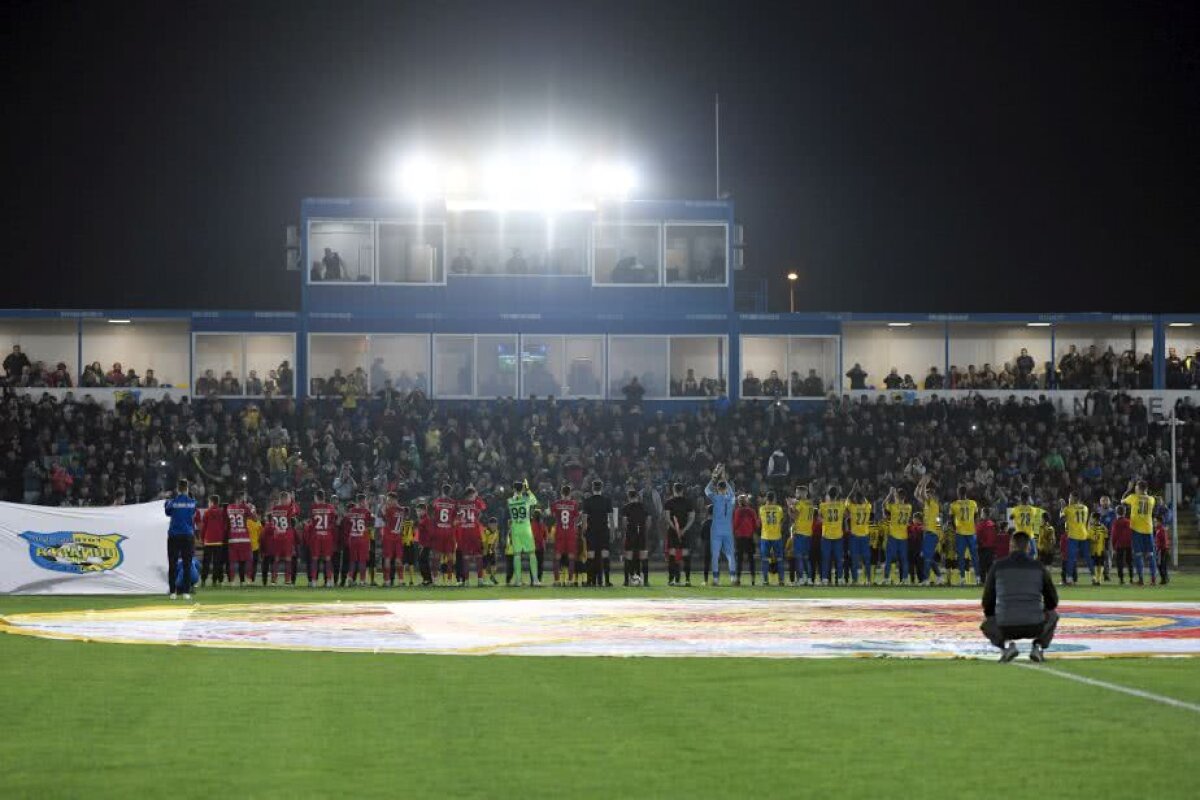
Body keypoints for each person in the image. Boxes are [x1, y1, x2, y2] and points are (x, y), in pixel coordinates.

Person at [981, 530, 1060, 663]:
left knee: (987, 624)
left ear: (1011, 546)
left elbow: (987, 601)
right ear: (1028, 547)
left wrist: (994, 616)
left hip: (1005, 625)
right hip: (1035, 624)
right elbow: (1053, 600)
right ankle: (1038, 647)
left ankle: (1007, 646)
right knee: (1053, 615)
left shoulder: (997, 566)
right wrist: (1042, 609)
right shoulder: (1039, 567)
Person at [164, 479, 198, 599]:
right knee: (187, 564)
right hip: (187, 536)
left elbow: (167, 512)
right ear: (187, 488)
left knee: (172, 564)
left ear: (178, 489)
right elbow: (193, 511)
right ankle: (186, 592)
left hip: (174, 536)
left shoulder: (172, 502)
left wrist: (168, 499)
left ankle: (173, 592)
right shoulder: (192, 502)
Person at [704, 464, 736, 586]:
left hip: (716, 531)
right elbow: (732, 493)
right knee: (730, 555)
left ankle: (716, 579)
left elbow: (706, 490)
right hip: (727, 530)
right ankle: (732, 578)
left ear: (717, 489)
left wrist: (714, 478)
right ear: (725, 489)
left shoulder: (716, 498)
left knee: (715, 555)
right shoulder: (731, 498)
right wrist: (724, 479)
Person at [1120, 480, 1156, 586]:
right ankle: (1153, 579)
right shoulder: (1151, 499)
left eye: (1136, 487)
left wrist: (1128, 489)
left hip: (1136, 530)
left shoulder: (1133, 497)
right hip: (1148, 529)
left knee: (1138, 555)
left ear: (1139, 488)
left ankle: (1141, 580)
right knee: (1150, 555)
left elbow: (1122, 501)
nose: (1135, 488)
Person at [507, 479, 540, 587]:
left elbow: (514, 498)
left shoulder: (509, 501)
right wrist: (528, 489)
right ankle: (535, 580)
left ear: (513, 489)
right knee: (531, 554)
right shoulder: (526, 499)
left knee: (517, 555)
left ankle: (518, 580)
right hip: (526, 528)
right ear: (522, 489)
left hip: (515, 529)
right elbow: (535, 501)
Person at [581, 479, 614, 587]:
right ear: (602, 488)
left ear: (592, 488)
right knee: (605, 555)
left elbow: (584, 519)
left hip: (591, 531)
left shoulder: (588, 501)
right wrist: (612, 531)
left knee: (591, 556)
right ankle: (607, 581)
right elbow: (611, 518)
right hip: (604, 531)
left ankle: (590, 581)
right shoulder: (607, 501)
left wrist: (583, 531)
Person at [663, 482, 695, 587]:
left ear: (673, 490)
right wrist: (684, 529)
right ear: (682, 490)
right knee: (685, 555)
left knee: (672, 555)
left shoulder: (668, 502)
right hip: (685, 532)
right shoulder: (688, 502)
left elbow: (667, 518)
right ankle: (687, 580)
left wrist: (675, 529)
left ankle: (672, 580)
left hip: (673, 532)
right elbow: (692, 518)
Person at [1060, 492, 1095, 586]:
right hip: (1084, 535)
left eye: (1070, 498)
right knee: (1088, 557)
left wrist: (1062, 508)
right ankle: (1094, 577)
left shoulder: (1068, 509)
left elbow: (1062, 520)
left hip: (1073, 536)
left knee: (1071, 558)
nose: (1069, 499)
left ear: (1073, 499)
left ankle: (1069, 578)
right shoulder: (1085, 508)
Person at [915, 476, 944, 586]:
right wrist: (920, 483)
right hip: (929, 533)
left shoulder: (932, 503)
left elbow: (921, 494)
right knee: (929, 557)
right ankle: (940, 577)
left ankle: (926, 579)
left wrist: (924, 483)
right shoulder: (929, 504)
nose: (926, 495)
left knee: (926, 557)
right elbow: (917, 494)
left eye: (928, 493)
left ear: (932, 495)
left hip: (932, 533)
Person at [950, 486, 981, 585]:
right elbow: (976, 517)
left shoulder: (953, 505)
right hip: (971, 533)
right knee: (974, 556)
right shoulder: (973, 503)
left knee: (961, 557)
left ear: (958, 493)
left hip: (960, 533)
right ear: (966, 493)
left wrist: (956, 529)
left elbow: (950, 520)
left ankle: (962, 578)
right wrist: (974, 527)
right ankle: (978, 578)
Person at [550, 485, 581, 587]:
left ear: (561, 493)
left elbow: (553, 516)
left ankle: (557, 581)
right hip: (571, 532)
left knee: (557, 557)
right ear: (570, 493)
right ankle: (570, 581)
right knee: (571, 557)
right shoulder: (574, 504)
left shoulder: (556, 504)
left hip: (560, 532)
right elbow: (576, 519)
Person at [457, 486, 487, 587]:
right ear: (472, 494)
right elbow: (483, 506)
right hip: (474, 532)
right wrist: (478, 497)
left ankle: (466, 581)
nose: (476, 496)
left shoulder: (460, 504)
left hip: (464, 532)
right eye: (475, 494)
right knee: (478, 557)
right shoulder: (476, 503)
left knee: (466, 558)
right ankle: (480, 580)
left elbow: (458, 517)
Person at [225, 490, 256, 586]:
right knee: (248, 560)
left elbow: (226, 522)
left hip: (232, 538)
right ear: (241, 498)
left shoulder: (229, 508)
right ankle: (248, 579)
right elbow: (255, 519)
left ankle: (232, 581)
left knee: (232, 561)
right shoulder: (245, 507)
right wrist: (252, 510)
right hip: (244, 538)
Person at [308, 489, 338, 587]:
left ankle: (314, 581)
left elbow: (311, 522)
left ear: (316, 497)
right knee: (328, 559)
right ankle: (329, 581)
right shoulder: (330, 507)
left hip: (316, 535)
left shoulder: (313, 507)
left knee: (315, 558)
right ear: (324, 497)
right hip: (327, 535)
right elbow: (334, 520)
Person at [882, 487, 912, 585]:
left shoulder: (894, 507)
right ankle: (905, 579)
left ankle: (886, 579)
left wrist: (890, 494)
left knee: (889, 559)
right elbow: (899, 505)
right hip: (904, 536)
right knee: (904, 559)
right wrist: (895, 495)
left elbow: (883, 505)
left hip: (894, 536)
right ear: (905, 497)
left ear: (898, 496)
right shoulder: (909, 507)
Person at [788, 485, 816, 585]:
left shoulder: (800, 504)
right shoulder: (810, 503)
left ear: (802, 493)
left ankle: (800, 579)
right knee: (806, 557)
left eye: (797, 492)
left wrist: (789, 506)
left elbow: (793, 516)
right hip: (808, 533)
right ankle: (809, 579)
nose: (796, 495)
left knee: (799, 557)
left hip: (800, 532)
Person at [197, 494, 228, 588]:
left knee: (206, 562)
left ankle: (203, 580)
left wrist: (202, 539)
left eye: (209, 502)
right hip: (218, 541)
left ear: (211, 502)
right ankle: (215, 581)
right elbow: (224, 527)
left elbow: (204, 527)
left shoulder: (207, 512)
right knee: (217, 563)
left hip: (208, 540)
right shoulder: (221, 512)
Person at [431, 484, 458, 586]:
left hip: (438, 532)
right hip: (448, 533)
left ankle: (435, 579)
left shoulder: (436, 501)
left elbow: (432, 517)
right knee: (450, 558)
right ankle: (450, 580)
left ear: (442, 491)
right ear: (450, 491)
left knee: (436, 557)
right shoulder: (453, 503)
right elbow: (456, 520)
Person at [621, 488, 649, 586]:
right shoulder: (644, 507)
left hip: (630, 534)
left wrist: (626, 532)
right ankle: (645, 581)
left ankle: (626, 581)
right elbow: (648, 520)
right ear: (637, 496)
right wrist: (645, 530)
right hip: (641, 534)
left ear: (629, 497)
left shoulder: (626, 508)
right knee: (643, 557)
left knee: (628, 557)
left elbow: (624, 523)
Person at [818, 486, 846, 586]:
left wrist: (825, 521)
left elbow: (819, 519)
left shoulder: (823, 506)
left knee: (825, 559)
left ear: (828, 495)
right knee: (839, 559)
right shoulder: (841, 505)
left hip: (826, 535)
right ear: (837, 495)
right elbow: (845, 515)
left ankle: (825, 579)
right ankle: (840, 578)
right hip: (838, 535)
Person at [845, 484, 872, 585]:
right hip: (865, 535)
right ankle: (868, 580)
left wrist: (852, 490)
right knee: (867, 559)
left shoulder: (853, 508)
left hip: (855, 536)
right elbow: (866, 501)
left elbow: (847, 499)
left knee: (855, 559)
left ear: (856, 499)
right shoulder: (867, 507)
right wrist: (861, 491)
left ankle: (855, 580)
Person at [758, 491, 786, 587]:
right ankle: (781, 580)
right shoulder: (779, 509)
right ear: (774, 498)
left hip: (765, 536)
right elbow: (781, 521)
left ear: (766, 498)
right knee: (779, 559)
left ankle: (765, 580)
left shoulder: (761, 509)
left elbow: (761, 521)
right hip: (777, 536)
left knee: (764, 560)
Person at [344, 494, 373, 586]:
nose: (365, 503)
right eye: (365, 501)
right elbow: (371, 522)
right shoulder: (366, 511)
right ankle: (362, 580)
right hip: (362, 538)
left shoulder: (351, 512)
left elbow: (347, 524)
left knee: (353, 560)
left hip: (352, 538)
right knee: (362, 560)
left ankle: (350, 578)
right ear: (362, 501)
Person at [732, 494, 759, 585]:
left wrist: (734, 532)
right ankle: (753, 579)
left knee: (739, 559)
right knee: (751, 559)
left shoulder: (737, 511)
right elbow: (756, 524)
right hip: (749, 537)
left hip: (740, 537)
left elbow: (735, 524)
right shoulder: (751, 511)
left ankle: (738, 579)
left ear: (739, 502)